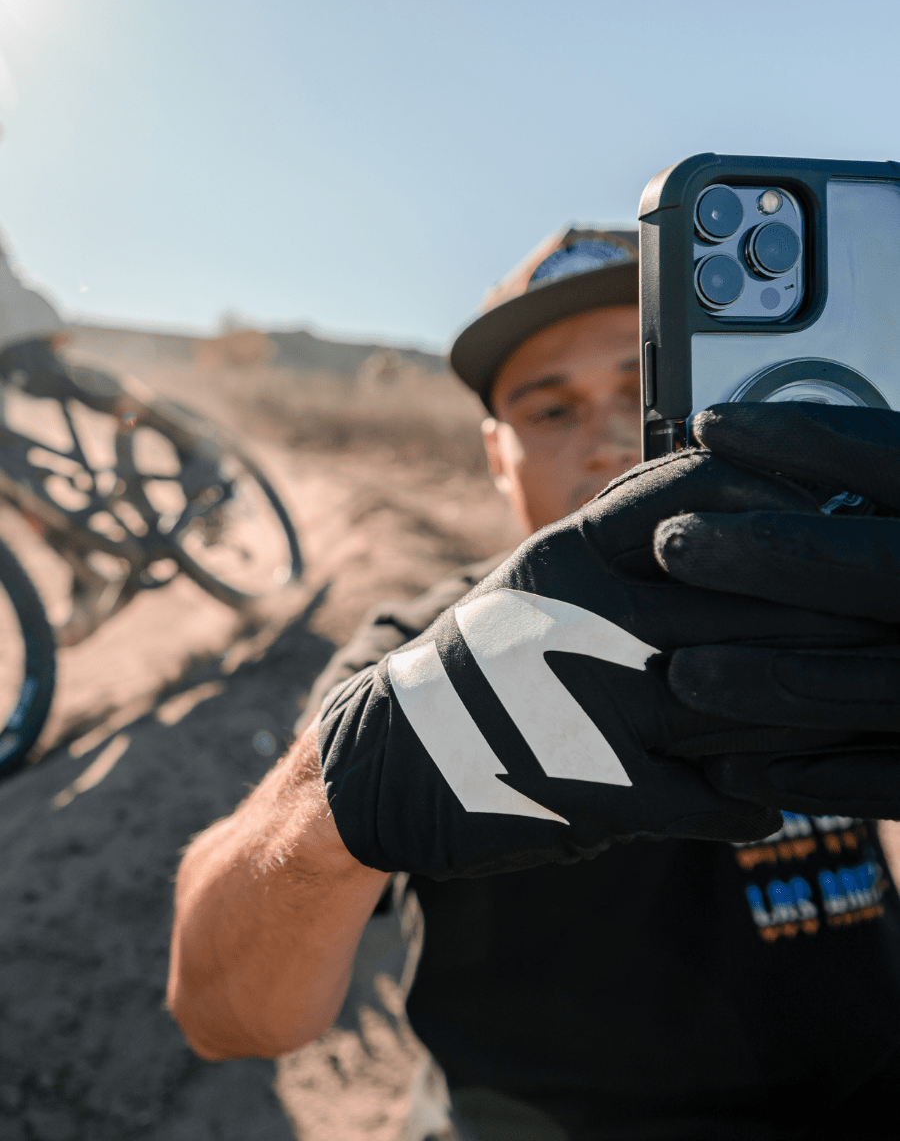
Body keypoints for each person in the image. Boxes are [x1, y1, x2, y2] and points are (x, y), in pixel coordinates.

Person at [167, 227, 900, 1141]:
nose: (608, 441)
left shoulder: (840, 601)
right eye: (552, 410)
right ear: (495, 454)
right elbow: (220, 1014)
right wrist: (333, 796)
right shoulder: (419, 648)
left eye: (646, 387)